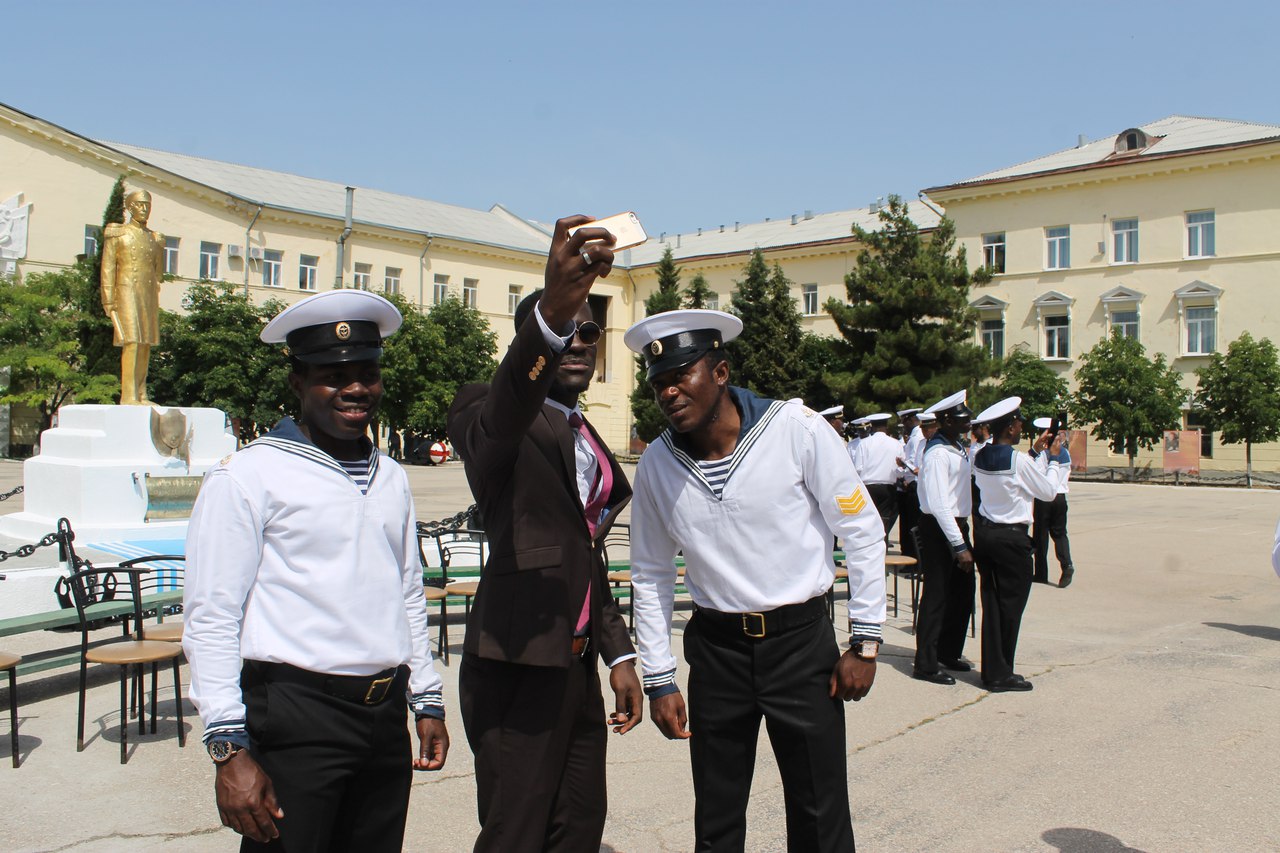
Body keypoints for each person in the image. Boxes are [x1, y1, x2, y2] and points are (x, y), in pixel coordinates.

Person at [183, 289, 449, 850]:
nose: (355, 389)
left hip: (382, 716)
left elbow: (406, 593)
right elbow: (212, 617)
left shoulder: (391, 475)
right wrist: (228, 748)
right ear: (298, 383)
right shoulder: (248, 476)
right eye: (332, 375)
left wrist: (426, 697)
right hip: (296, 717)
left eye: (367, 373)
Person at [624, 309, 887, 853]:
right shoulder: (657, 464)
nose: (668, 393)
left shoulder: (794, 429)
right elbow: (650, 573)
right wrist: (659, 677)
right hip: (717, 653)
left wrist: (865, 641)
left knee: (819, 811)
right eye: (658, 385)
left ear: (720, 372)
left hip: (801, 648)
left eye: (680, 376)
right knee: (717, 815)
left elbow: (861, 530)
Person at [446, 216, 643, 853]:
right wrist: (553, 312)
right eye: (568, 332)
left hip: (578, 664)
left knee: (579, 827)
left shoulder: (588, 436)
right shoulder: (486, 410)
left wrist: (621, 653)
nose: (580, 343)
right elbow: (507, 408)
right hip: (516, 664)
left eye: (590, 331)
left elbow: (584, 555)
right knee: (515, 833)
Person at [970, 397, 1069, 692]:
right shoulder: (1019, 461)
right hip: (1011, 540)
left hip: (987, 535)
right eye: (1018, 424)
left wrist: (1035, 452)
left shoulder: (981, 456)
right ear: (1011, 427)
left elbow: (1010, 473)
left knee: (992, 604)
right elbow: (1049, 491)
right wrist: (1051, 458)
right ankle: (1001, 674)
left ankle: (992, 670)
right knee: (1010, 608)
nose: (1021, 427)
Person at [912, 392, 977, 685]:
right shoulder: (938, 453)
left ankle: (948, 651)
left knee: (962, 593)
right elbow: (939, 504)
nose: (969, 421)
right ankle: (925, 663)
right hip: (941, 529)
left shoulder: (955, 447)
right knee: (936, 597)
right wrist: (959, 545)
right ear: (948, 420)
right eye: (964, 418)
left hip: (955, 527)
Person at [100, 188, 166, 405]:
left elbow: (159, 275)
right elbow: (108, 267)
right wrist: (108, 299)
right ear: (129, 207)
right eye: (139, 204)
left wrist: (161, 248)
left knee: (146, 342)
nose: (144, 209)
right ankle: (128, 395)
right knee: (132, 341)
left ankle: (141, 394)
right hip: (126, 290)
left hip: (147, 293)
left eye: (147, 205)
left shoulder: (153, 238)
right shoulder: (118, 233)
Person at [1030, 416, 1075, 588]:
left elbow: (1039, 473)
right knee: (1060, 534)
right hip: (1061, 497)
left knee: (1040, 536)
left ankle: (1041, 573)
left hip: (1045, 498)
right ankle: (1067, 565)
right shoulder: (1065, 451)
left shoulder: (1043, 453)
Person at [853, 412, 903, 546]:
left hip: (868, 486)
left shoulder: (864, 444)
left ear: (871, 427)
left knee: (867, 521)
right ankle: (883, 549)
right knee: (884, 521)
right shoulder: (896, 444)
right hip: (888, 487)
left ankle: (867, 548)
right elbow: (900, 470)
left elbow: (857, 468)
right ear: (886, 427)